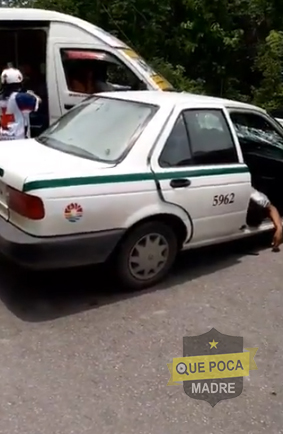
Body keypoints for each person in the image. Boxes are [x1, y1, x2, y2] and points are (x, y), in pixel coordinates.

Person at [0, 67, 41, 140]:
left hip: (2, 139)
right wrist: (31, 94)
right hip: (18, 140)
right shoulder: (21, 97)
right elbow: (38, 102)